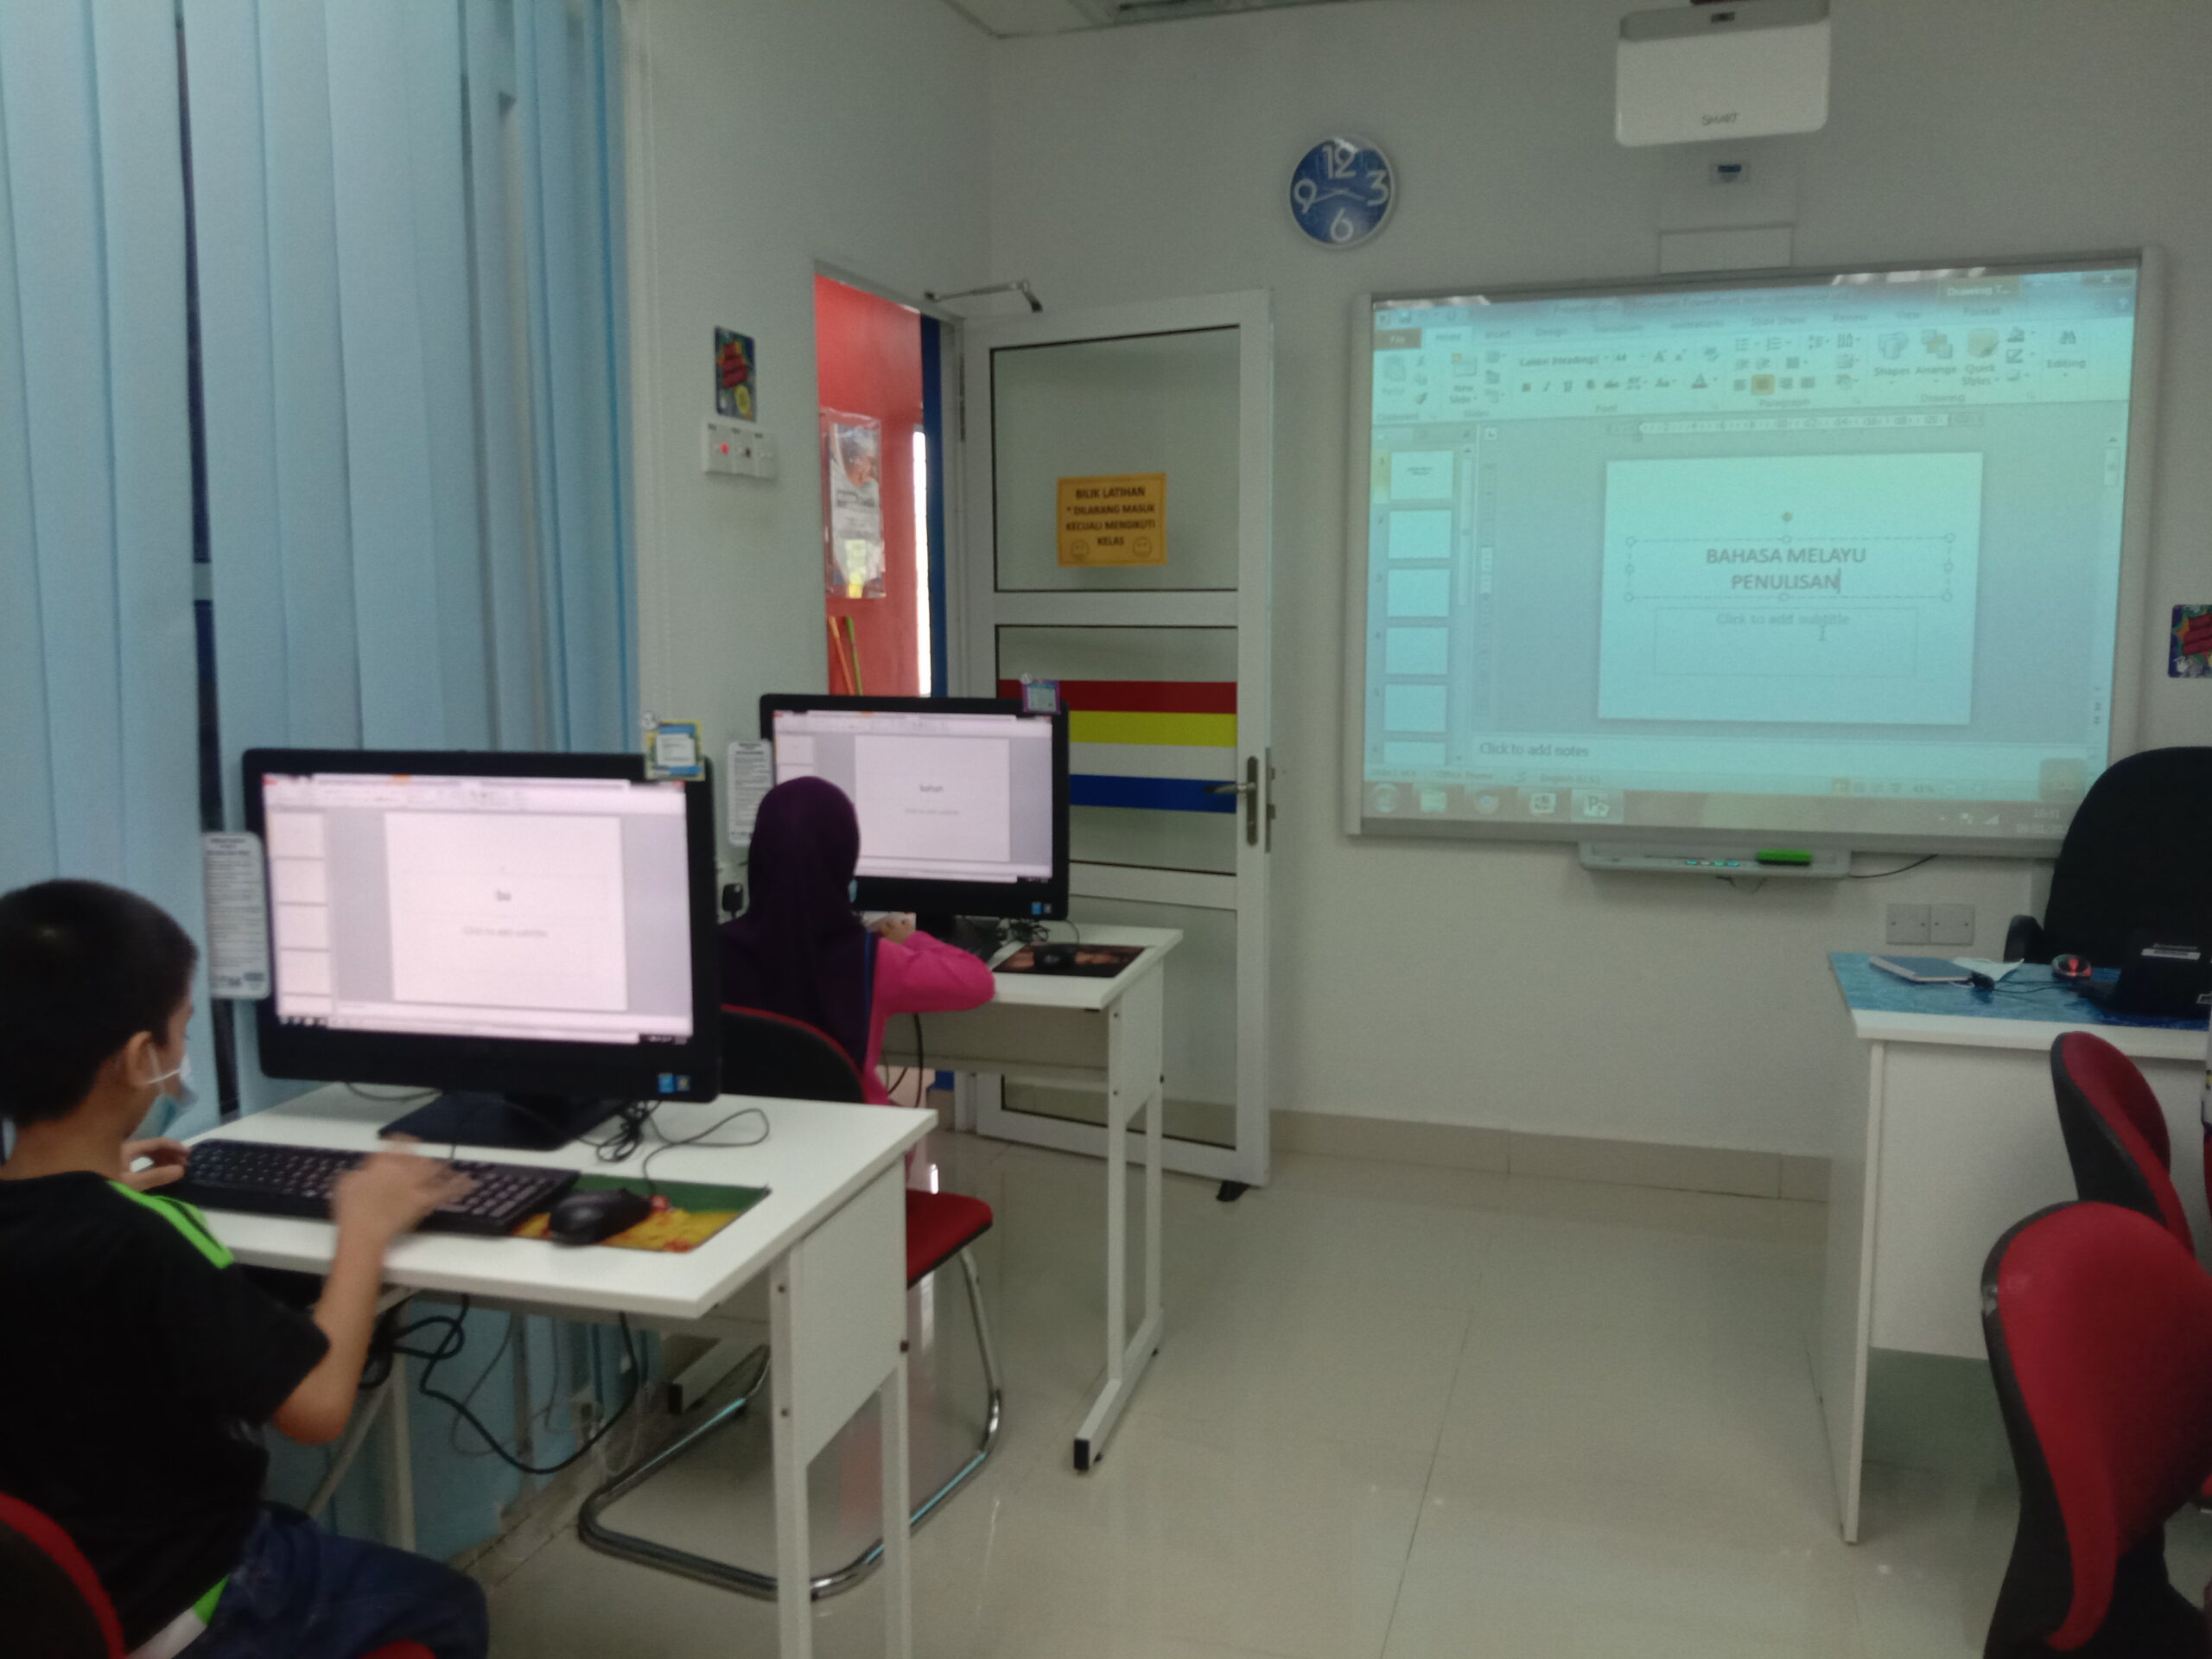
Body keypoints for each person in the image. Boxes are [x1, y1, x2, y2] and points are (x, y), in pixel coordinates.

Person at [0, 879, 490, 1659]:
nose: (180, 1054)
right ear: (141, 1058)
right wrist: (365, 1229)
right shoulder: (147, 1239)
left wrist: (91, 1176)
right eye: (181, 1031)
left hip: (54, 1610)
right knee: (449, 1605)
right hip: (191, 1603)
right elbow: (317, 1409)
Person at [720, 777, 995, 1100]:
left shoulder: (706, 952)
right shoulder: (870, 959)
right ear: (844, 858)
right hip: (851, 1127)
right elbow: (978, 982)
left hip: (745, 1125)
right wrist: (912, 938)